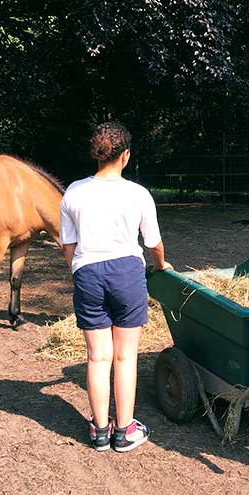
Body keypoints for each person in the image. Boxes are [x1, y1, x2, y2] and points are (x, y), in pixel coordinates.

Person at [59, 121, 171, 452]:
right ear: (125, 155)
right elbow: (154, 242)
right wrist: (161, 265)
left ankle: (99, 431)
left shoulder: (74, 191)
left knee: (97, 357)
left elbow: (68, 243)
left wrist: (77, 271)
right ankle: (124, 431)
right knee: (125, 357)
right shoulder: (137, 193)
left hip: (88, 273)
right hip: (126, 273)